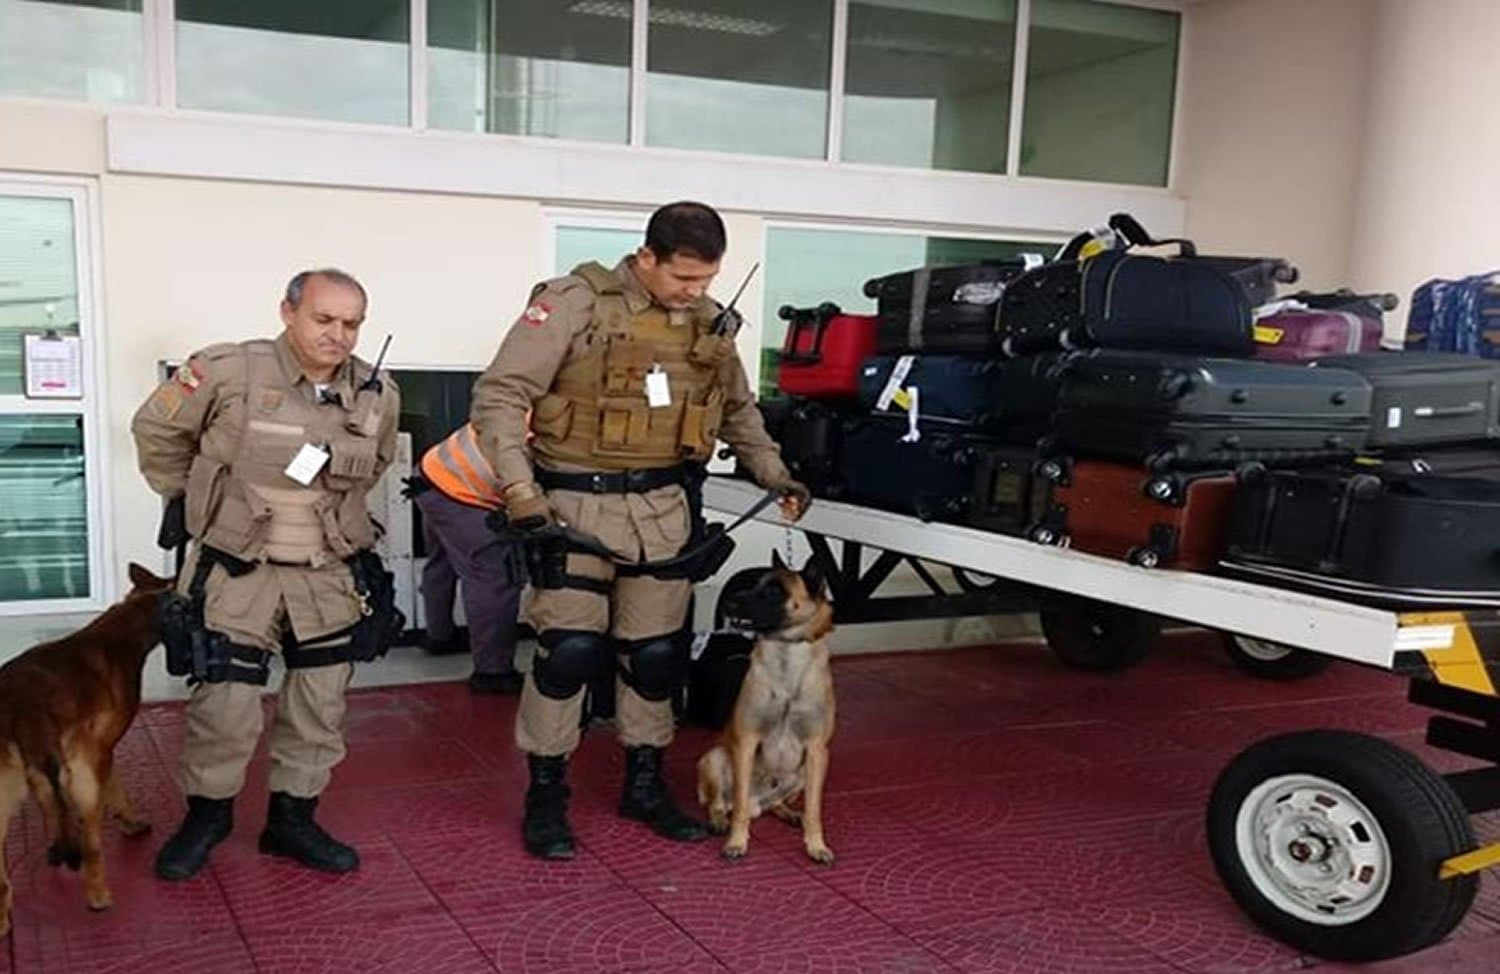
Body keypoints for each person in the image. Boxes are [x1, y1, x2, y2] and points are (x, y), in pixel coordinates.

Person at [470, 200, 810, 860]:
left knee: (655, 659)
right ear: (646, 257)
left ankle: (645, 786)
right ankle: (545, 794)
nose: (695, 293)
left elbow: (738, 410)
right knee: (566, 654)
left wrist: (775, 473)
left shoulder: (708, 324)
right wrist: (520, 493)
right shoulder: (574, 303)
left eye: (707, 280)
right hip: (571, 508)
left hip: (662, 512)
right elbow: (500, 396)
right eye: (684, 278)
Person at [131, 268, 401, 880]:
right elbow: (157, 429)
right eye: (323, 319)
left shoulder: (378, 391)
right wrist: (192, 499)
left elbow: (377, 462)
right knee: (225, 703)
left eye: (352, 323)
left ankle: (293, 821)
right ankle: (207, 817)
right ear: (288, 312)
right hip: (237, 568)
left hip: (328, 572)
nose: (338, 335)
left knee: (319, 705)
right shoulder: (228, 371)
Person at [409, 423, 526, 694]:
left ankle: (438, 636)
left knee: (444, 560)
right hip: (463, 492)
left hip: (433, 471)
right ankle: (493, 672)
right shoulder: (564, 417)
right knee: (493, 576)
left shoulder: (523, 400)